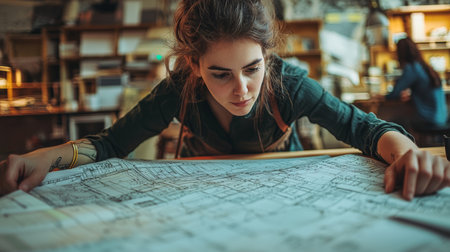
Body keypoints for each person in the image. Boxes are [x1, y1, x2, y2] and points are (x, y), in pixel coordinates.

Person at [0, 0, 449, 201]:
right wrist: (52, 155)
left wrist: (409, 155)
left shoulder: (290, 85)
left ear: (267, 57)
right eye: (220, 74)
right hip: (200, 195)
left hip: (283, 195)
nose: (243, 90)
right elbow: (114, 145)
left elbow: (365, 129)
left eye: (253, 69)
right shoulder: (178, 91)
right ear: (194, 65)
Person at [384, 37, 448, 128]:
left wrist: (382, 96)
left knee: (391, 124)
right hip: (442, 118)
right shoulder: (425, 67)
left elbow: (394, 94)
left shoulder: (412, 68)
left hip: (429, 120)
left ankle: (411, 142)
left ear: (400, 53)